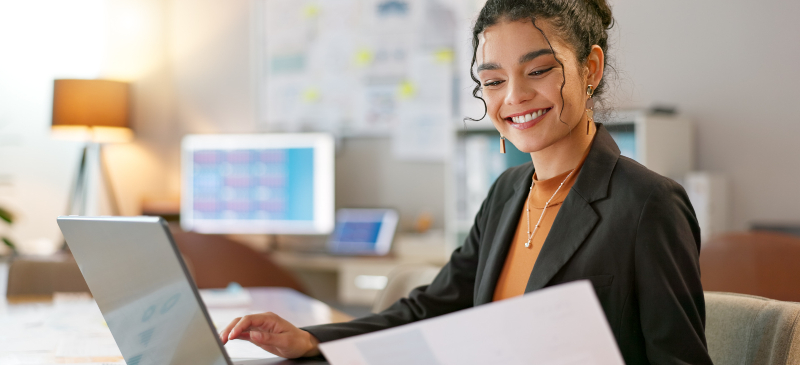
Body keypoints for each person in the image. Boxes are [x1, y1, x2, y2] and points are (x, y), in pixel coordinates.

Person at [220, 0, 713, 363]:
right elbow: (432, 308)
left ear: (590, 68)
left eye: (538, 70)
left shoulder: (649, 204)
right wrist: (312, 340)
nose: (514, 97)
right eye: (494, 81)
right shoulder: (506, 194)